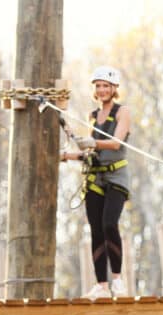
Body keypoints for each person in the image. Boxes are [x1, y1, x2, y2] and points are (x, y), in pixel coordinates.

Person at [60, 65, 132, 299]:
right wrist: (68, 156)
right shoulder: (93, 116)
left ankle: (118, 280)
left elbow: (115, 143)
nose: (102, 90)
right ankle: (102, 285)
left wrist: (90, 142)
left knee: (110, 223)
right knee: (96, 230)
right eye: (98, 86)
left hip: (116, 177)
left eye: (106, 86)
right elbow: (91, 154)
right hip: (96, 177)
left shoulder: (123, 112)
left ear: (114, 88)